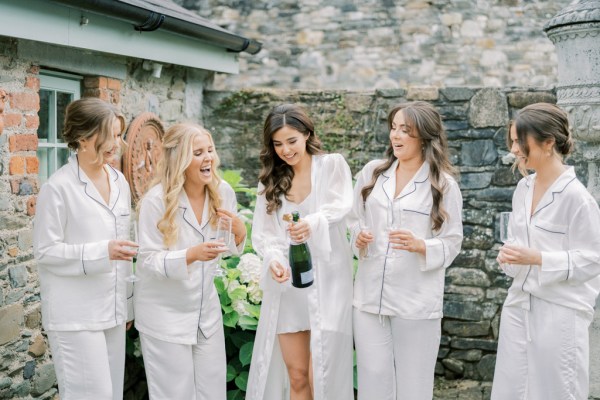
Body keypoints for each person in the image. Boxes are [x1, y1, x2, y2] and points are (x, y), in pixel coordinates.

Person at [348, 101, 463, 400]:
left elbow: (452, 242)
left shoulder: (443, 185)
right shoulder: (373, 173)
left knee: (414, 386)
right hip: (369, 298)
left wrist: (421, 245)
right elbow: (353, 219)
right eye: (394, 128)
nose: (395, 136)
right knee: (373, 381)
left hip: (415, 302)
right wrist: (358, 238)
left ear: (424, 137)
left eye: (405, 131)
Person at [492, 103, 600, 400]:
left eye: (519, 141)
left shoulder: (577, 199)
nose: (514, 149)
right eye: (512, 141)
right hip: (519, 306)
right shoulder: (523, 189)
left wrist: (538, 259)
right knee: (511, 391)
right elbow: (517, 245)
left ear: (548, 142)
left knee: (556, 392)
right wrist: (509, 258)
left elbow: (593, 260)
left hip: (560, 313)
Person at [246, 104, 354, 400]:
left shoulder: (332, 165)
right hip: (290, 288)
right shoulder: (269, 182)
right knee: (297, 375)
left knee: (325, 374)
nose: (285, 150)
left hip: (329, 282)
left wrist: (311, 223)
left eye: (291, 141)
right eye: (277, 144)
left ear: (307, 134)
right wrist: (274, 261)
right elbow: (265, 235)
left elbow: (341, 205)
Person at [134, 123, 246, 400]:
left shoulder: (222, 193)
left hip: (205, 314)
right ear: (180, 159)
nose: (208, 157)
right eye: (198, 152)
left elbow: (230, 248)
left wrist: (240, 231)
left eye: (210, 150)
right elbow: (146, 260)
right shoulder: (155, 201)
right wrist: (190, 255)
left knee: (213, 393)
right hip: (164, 317)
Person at [33, 97, 135, 400]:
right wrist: (102, 251)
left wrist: (126, 306)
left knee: (112, 395)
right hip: (75, 316)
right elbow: (46, 251)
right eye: (110, 135)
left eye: (119, 134)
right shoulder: (58, 188)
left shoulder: (119, 181)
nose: (117, 143)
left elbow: (124, 248)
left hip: (114, 314)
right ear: (83, 138)